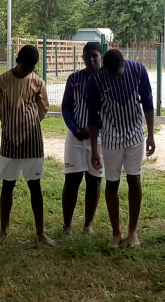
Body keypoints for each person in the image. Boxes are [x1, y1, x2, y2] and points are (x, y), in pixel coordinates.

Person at [86, 49, 155, 248]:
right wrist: (94, 149)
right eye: (112, 74)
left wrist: (150, 135)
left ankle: (133, 232)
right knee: (112, 183)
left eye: (119, 72)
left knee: (134, 180)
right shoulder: (95, 81)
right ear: (104, 69)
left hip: (135, 134)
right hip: (110, 137)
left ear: (124, 62)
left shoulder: (138, 70)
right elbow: (93, 117)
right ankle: (116, 232)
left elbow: (148, 102)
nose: (117, 76)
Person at [0, 45, 52, 245]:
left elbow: (43, 109)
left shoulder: (38, 83)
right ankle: (3, 232)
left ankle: (40, 233)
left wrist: (27, 122)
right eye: (27, 66)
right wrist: (11, 122)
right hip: (9, 140)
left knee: (35, 185)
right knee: (8, 185)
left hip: (33, 141)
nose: (29, 70)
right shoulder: (1, 82)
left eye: (33, 67)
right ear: (18, 61)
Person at [61, 42, 104, 236]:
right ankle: (67, 226)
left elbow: (110, 110)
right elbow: (66, 107)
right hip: (76, 137)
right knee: (72, 179)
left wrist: (94, 128)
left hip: (100, 138)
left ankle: (88, 225)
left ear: (101, 57)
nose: (91, 60)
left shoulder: (108, 79)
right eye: (87, 57)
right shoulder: (74, 79)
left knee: (94, 180)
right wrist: (75, 128)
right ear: (82, 58)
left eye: (95, 56)